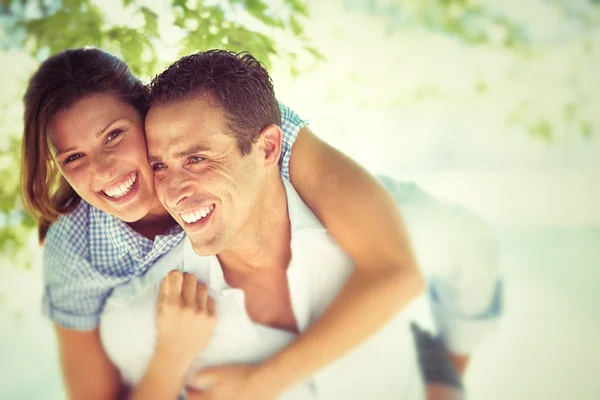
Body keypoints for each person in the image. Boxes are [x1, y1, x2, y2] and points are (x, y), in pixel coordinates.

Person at [21, 47, 423, 399]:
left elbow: (394, 266)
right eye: (74, 157)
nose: (105, 170)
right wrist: (172, 356)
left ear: (147, 119)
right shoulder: (77, 249)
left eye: (113, 136)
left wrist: (261, 383)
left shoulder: (242, 134)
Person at [99, 50, 502, 400]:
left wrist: (451, 369)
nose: (175, 189)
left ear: (269, 148)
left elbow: (471, 249)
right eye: (159, 166)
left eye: (197, 159)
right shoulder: (144, 318)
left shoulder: (399, 223)